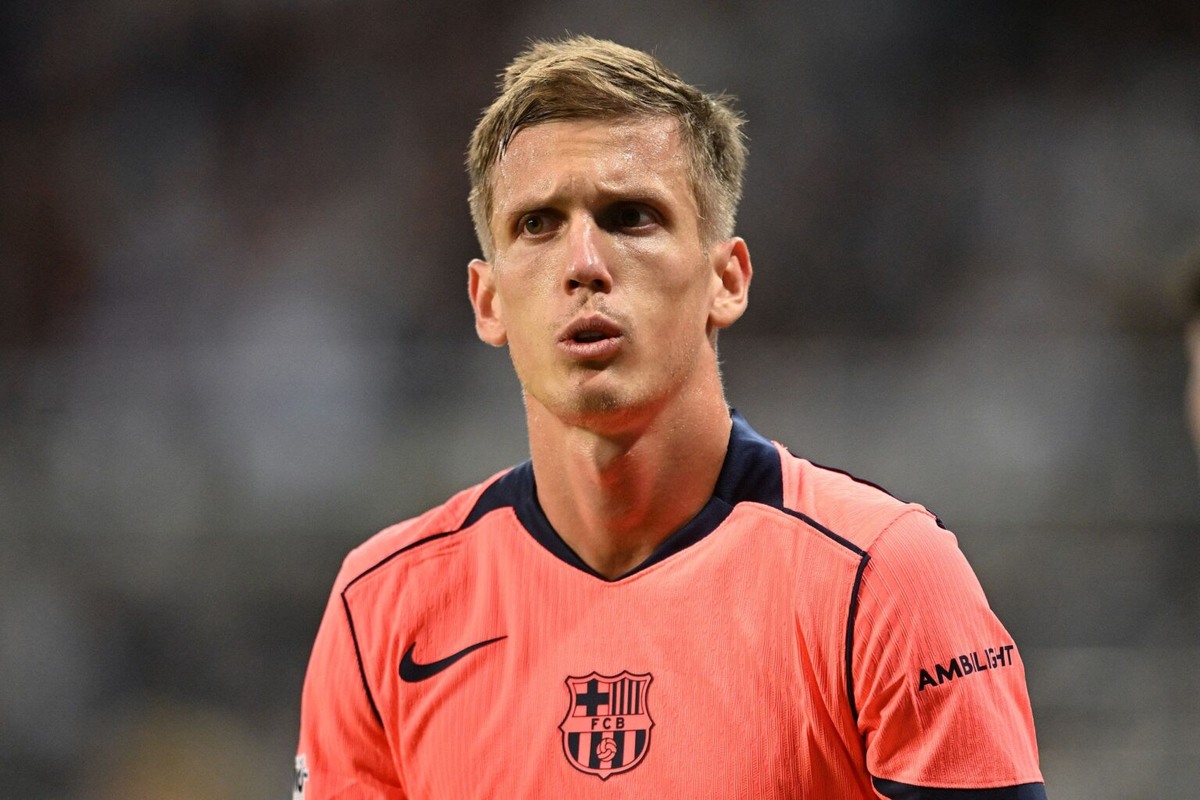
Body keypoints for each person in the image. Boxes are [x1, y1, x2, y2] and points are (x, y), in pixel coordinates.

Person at [294, 36, 1046, 798]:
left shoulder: (883, 582)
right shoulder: (382, 610)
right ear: (488, 301)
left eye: (630, 216)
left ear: (727, 280)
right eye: (538, 225)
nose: (583, 264)